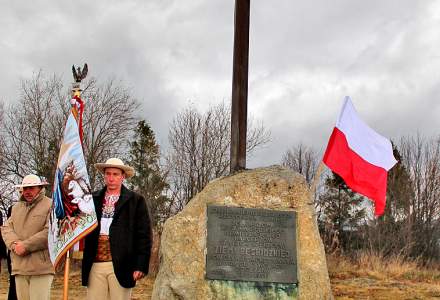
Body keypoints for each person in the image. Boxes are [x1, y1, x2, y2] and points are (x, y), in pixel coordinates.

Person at [82, 158, 152, 300]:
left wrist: (140, 265)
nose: (111, 178)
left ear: (123, 176)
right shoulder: (91, 199)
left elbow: (144, 236)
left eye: (115, 174)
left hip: (123, 263)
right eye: (108, 174)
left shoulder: (136, 201)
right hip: (95, 263)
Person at [1, 175, 54, 300]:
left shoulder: (50, 205)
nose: (28, 192)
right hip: (19, 268)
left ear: (40, 188)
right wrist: (15, 245)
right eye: (25, 189)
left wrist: (26, 246)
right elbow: (6, 228)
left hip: (41, 268)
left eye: (31, 188)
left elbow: (50, 231)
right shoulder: (15, 208)